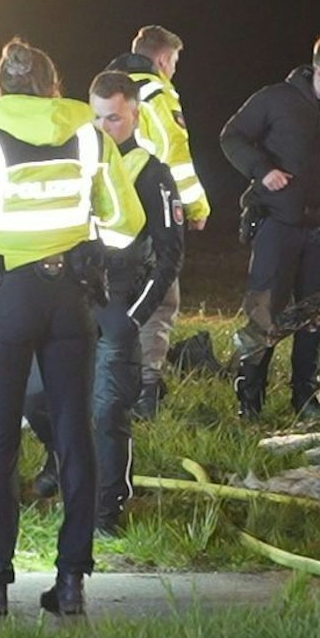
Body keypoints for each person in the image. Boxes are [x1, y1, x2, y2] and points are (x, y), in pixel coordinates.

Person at [0, 38, 143, 618]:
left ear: (2, 87)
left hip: (7, 299)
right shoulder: (91, 138)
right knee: (74, 434)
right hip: (71, 297)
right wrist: (82, 238)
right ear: (54, 87)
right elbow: (126, 225)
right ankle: (71, 582)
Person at [25, 71, 184, 532]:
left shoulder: (153, 173)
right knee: (35, 396)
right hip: (70, 296)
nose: (103, 127)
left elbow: (170, 256)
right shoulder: (78, 164)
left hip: (119, 298)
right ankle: (60, 459)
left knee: (107, 410)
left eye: (113, 118)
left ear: (134, 115)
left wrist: (133, 317)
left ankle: (106, 508)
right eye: (96, 118)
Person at [219, 33, 320, 418]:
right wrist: (262, 170)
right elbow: (232, 137)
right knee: (264, 313)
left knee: (314, 314)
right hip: (278, 224)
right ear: (319, 72)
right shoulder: (276, 99)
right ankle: (250, 395)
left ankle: (305, 396)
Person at [106, 25, 209, 417]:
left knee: (113, 293)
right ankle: (146, 390)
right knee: (161, 299)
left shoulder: (106, 87)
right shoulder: (157, 92)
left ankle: (113, 378)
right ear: (164, 59)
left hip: (109, 206)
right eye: (175, 62)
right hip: (150, 204)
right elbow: (175, 157)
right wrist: (196, 208)